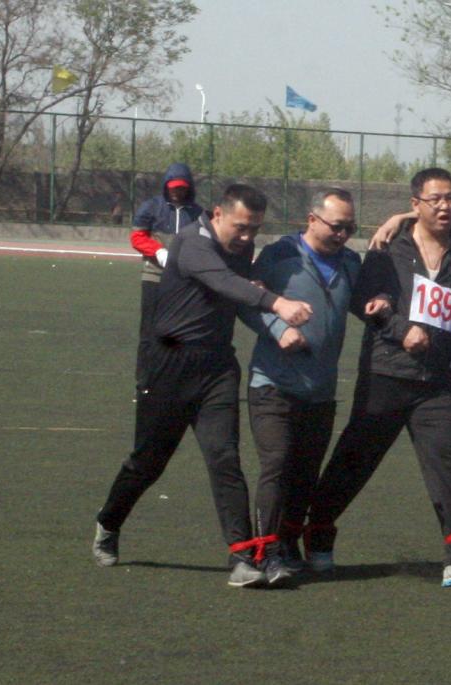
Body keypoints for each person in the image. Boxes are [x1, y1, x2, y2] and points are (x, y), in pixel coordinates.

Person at [92, 184, 313, 589]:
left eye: (254, 229)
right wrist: (277, 304)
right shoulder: (191, 242)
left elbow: (238, 291)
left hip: (216, 368)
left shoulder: (241, 248)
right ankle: (109, 522)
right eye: (241, 227)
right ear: (217, 214)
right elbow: (225, 282)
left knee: (224, 458)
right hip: (169, 365)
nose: (247, 237)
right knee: (148, 462)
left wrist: (269, 315)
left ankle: (242, 557)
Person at [304, 168, 451, 588]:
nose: (444, 206)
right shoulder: (387, 248)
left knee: (448, 464)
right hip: (387, 374)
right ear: (415, 204)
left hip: (436, 382)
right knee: (354, 462)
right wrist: (400, 329)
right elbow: (364, 302)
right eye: (435, 199)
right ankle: (316, 529)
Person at [243, 188, 389, 585]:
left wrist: (377, 302)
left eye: (350, 228)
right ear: (312, 219)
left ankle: (288, 543)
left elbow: (359, 304)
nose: (343, 235)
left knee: (306, 473)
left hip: (320, 390)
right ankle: (266, 552)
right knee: (277, 464)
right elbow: (246, 301)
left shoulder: (350, 262)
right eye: (336, 226)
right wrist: (277, 329)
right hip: (273, 384)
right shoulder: (280, 254)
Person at [129, 163, 205, 384]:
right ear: (166, 186)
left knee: (182, 331)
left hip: (184, 282)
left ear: (189, 188)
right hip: (154, 277)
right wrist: (158, 251)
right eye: (173, 187)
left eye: (181, 188)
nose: (176, 192)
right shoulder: (151, 208)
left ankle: (177, 378)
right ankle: (144, 381)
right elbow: (137, 237)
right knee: (149, 331)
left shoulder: (198, 214)